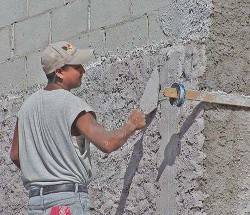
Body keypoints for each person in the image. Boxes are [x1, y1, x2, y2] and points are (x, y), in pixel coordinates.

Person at [10, 41, 146, 215]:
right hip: (66, 201)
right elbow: (108, 143)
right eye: (76, 66)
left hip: (36, 203)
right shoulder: (72, 104)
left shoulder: (26, 108)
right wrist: (132, 124)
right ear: (59, 72)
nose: (83, 70)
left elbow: (15, 155)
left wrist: (43, 171)